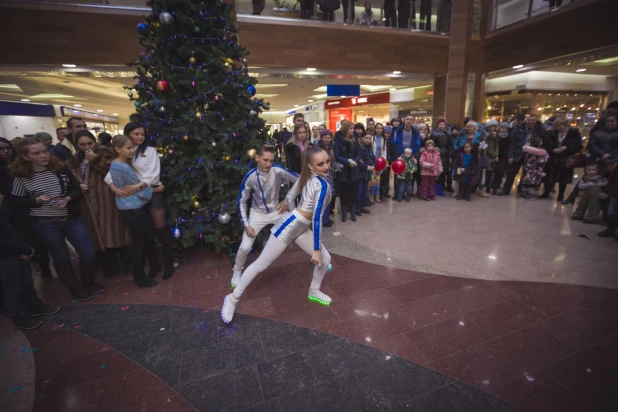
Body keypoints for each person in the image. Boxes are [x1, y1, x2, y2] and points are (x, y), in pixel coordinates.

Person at [221, 146, 333, 323]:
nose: (326, 166)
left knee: (326, 260)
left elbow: (289, 197)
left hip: (300, 227)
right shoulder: (318, 182)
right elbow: (317, 218)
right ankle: (232, 298)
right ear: (311, 166)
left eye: (327, 161)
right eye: (320, 164)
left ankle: (314, 290)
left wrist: (292, 208)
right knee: (260, 264)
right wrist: (316, 248)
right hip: (289, 227)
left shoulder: (313, 178)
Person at [10, 138, 102, 301]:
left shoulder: (59, 167)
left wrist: (67, 198)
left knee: (88, 253)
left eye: (44, 151)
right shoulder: (20, 176)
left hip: (70, 217)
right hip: (45, 223)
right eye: (36, 153)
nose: (43, 156)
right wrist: (36, 201)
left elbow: (75, 188)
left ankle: (88, 283)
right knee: (61, 257)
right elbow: (16, 202)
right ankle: (76, 290)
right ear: (25, 156)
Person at [106, 123, 175, 280]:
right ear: (128, 135)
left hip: (151, 193)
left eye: (142, 134)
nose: (140, 137)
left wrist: (138, 186)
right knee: (146, 234)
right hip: (136, 198)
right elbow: (111, 172)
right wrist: (113, 187)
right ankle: (154, 265)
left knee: (161, 229)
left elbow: (154, 175)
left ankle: (169, 264)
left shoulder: (150, 151)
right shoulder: (126, 151)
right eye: (136, 134)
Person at [67, 130, 131, 279]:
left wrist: (95, 159)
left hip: (107, 200)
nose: (86, 146)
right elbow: (69, 179)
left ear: (95, 141)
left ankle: (127, 265)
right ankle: (110, 266)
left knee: (117, 233)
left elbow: (114, 173)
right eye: (82, 144)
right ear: (77, 145)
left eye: (89, 143)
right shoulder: (73, 160)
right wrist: (78, 186)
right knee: (98, 236)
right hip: (87, 204)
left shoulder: (106, 154)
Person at [233, 145, 298, 287]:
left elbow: (299, 180)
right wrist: (246, 224)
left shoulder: (277, 170)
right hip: (257, 214)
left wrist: (288, 200)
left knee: (300, 230)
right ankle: (237, 271)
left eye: (271, 160)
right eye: (265, 160)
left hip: (277, 211)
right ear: (257, 158)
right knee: (245, 247)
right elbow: (242, 201)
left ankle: (318, 257)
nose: (268, 164)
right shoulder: (250, 177)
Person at [110, 135, 161, 288]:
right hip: (133, 208)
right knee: (140, 243)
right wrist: (154, 189)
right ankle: (139, 277)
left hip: (129, 207)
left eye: (132, 147)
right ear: (118, 149)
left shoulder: (116, 164)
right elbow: (138, 188)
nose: (132, 151)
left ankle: (141, 274)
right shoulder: (123, 167)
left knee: (143, 241)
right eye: (128, 148)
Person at [0, 203, 60, 329]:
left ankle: (34, 305)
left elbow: (12, 233)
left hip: (18, 252)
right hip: (6, 256)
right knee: (12, 288)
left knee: (26, 282)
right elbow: (6, 238)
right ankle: (19, 317)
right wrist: (23, 249)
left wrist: (25, 248)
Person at [498, 114, 544, 196]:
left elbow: (540, 143)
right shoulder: (518, 130)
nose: (530, 122)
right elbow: (511, 144)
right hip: (517, 154)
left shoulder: (538, 131)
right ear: (526, 120)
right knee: (511, 173)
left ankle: (521, 190)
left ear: (535, 121)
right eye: (529, 120)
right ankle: (506, 190)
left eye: (532, 120)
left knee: (526, 174)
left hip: (530, 156)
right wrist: (510, 156)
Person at [548, 118, 583, 202]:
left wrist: (567, 147)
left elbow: (578, 146)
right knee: (550, 176)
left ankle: (561, 195)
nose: (559, 128)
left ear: (566, 125)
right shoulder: (552, 133)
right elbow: (548, 144)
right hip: (554, 158)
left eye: (561, 126)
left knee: (563, 178)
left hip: (566, 158)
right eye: (557, 126)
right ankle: (547, 192)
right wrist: (553, 149)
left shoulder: (573, 134)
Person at [334, 120, 361, 222]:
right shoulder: (338, 140)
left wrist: (355, 160)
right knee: (343, 193)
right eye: (351, 128)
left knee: (354, 192)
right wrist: (347, 161)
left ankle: (353, 214)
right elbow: (337, 155)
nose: (353, 130)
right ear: (345, 129)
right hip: (343, 171)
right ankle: (344, 214)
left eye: (353, 128)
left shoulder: (355, 139)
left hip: (354, 170)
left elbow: (359, 153)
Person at [391, 115, 421, 196]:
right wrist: (398, 156)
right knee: (398, 176)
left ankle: (407, 194)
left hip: (410, 157)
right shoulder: (397, 131)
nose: (409, 121)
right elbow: (393, 144)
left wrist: (415, 157)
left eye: (411, 119)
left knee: (408, 176)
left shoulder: (415, 132)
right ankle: (397, 194)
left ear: (413, 121)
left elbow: (418, 146)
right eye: (407, 119)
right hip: (399, 156)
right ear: (404, 120)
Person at [519, 136, 549, 200]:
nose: (542, 142)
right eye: (541, 141)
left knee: (526, 180)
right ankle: (525, 194)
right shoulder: (542, 151)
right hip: (535, 168)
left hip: (527, 167)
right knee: (531, 181)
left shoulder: (528, 149)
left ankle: (524, 193)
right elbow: (545, 158)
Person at [317, 129, 336, 227]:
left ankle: (326, 218)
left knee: (329, 196)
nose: (327, 139)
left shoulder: (332, 147)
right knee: (322, 197)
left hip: (330, 174)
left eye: (328, 137)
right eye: (325, 137)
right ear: (321, 138)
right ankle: (323, 220)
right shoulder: (317, 148)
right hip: (321, 174)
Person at [598, 154, 618, 240]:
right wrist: (607, 192)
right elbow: (611, 182)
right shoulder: (613, 172)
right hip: (615, 193)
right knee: (611, 212)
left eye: (612, 164)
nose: (609, 167)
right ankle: (610, 229)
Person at [431, 118, 453, 195]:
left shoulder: (449, 134)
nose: (441, 126)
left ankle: (440, 188)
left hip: (446, 155)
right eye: (440, 124)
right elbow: (431, 144)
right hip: (437, 154)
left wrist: (450, 156)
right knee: (435, 172)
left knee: (443, 172)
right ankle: (434, 189)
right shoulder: (434, 134)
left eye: (443, 124)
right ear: (437, 125)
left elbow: (450, 145)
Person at [357, 131, 375, 214]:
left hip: (367, 173)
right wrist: (366, 167)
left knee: (365, 191)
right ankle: (357, 208)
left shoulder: (370, 147)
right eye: (366, 138)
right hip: (360, 173)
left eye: (369, 138)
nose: (368, 140)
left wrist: (374, 165)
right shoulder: (360, 147)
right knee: (359, 191)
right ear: (363, 138)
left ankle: (362, 206)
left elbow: (373, 158)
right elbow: (358, 160)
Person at [482, 119, 499, 195]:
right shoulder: (485, 136)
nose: (492, 128)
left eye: (494, 127)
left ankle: (488, 187)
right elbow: (485, 147)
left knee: (491, 173)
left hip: (494, 157)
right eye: (490, 126)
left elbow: (497, 147)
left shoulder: (496, 136)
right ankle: (483, 188)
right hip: (487, 157)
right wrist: (493, 155)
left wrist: (496, 155)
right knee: (486, 174)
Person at [492, 122, 510, 195]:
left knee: (500, 172)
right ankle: (493, 187)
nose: (503, 130)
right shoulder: (496, 136)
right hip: (495, 155)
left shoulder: (509, 137)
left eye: (505, 129)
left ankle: (497, 185)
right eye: (502, 128)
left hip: (503, 157)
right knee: (494, 172)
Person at [376, 125, 392, 199]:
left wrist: (385, 162)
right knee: (377, 178)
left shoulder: (387, 140)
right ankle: (377, 194)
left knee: (385, 177)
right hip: (376, 160)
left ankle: (383, 193)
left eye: (389, 133)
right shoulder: (374, 138)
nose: (387, 134)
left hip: (385, 161)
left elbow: (386, 152)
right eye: (378, 128)